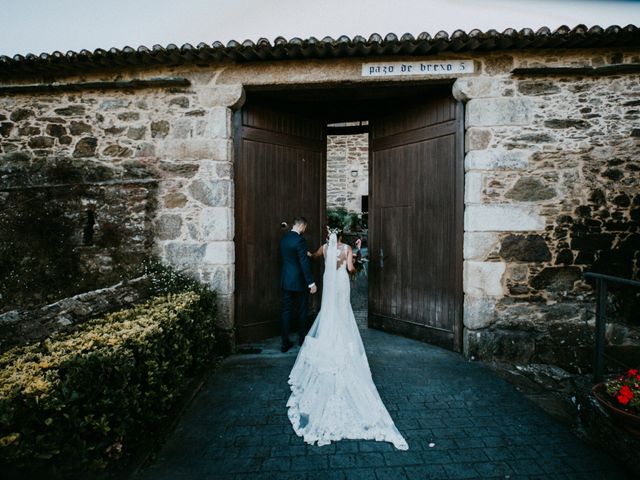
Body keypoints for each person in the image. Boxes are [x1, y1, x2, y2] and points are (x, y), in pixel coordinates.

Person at [287, 230, 409, 450]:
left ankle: (329, 335)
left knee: (329, 310)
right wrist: (357, 258)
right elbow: (351, 269)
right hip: (342, 283)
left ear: (330, 237)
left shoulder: (325, 249)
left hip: (330, 284)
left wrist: (307, 251)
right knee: (343, 311)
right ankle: (341, 336)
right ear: (343, 237)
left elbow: (313, 256)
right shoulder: (347, 250)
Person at [279, 216, 317, 353]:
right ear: (301, 226)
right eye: (305, 228)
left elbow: (289, 258)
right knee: (302, 310)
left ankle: (284, 343)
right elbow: (303, 263)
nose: (305, 230)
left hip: (286, 280)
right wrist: (311, 283)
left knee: (286, 311)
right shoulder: (300, 240)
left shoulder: (284, 239)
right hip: (299, 281)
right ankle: (301, 339)